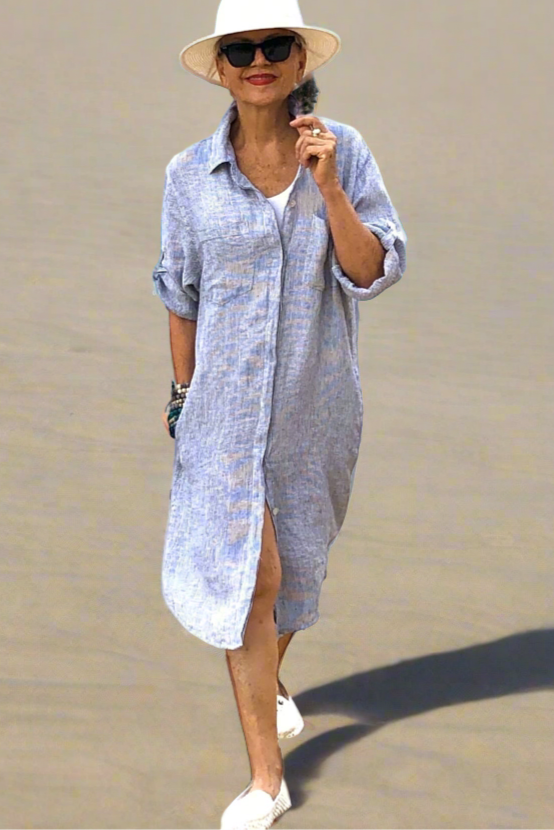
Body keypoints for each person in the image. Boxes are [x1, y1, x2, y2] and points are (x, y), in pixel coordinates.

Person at [152, 0, 408, 826]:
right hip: (221, 413)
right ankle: (269, 778)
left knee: (290, 575)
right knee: (251, 580)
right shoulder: (187, 177)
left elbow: (370, 271)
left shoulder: (344, 151)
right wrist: (183, 399)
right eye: (240, 50)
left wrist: (329, 188)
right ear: (221, 70)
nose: (257, 60)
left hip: (314, 411)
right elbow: (180, 296)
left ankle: (272, 678)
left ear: (299, 62)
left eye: (274, 46)